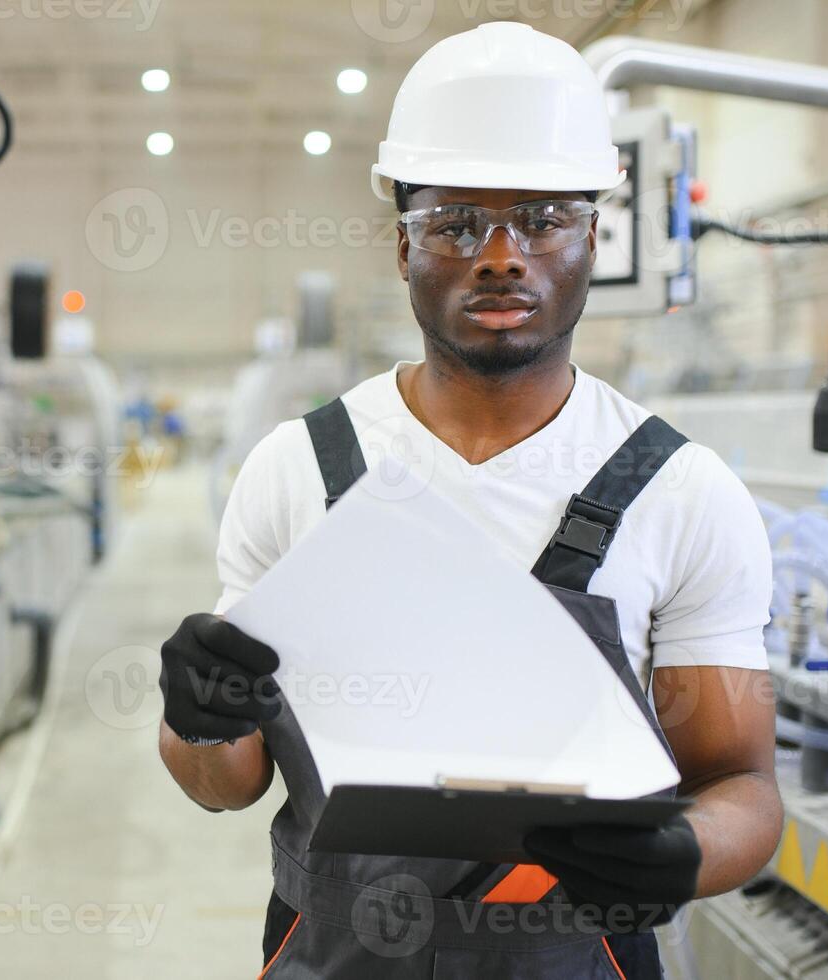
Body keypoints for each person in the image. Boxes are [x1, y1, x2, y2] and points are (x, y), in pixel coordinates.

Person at [156, 22, 779, 979]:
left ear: (592, 240)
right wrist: (201, 720)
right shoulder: (299, 468)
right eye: (453, 223)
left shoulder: (680, 491)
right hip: (332, 952)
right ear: (400, 248)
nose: (499, 255)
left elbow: (739, 784)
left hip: (573, 955)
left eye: (539, 220)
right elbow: (222, 787)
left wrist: (686, 855)